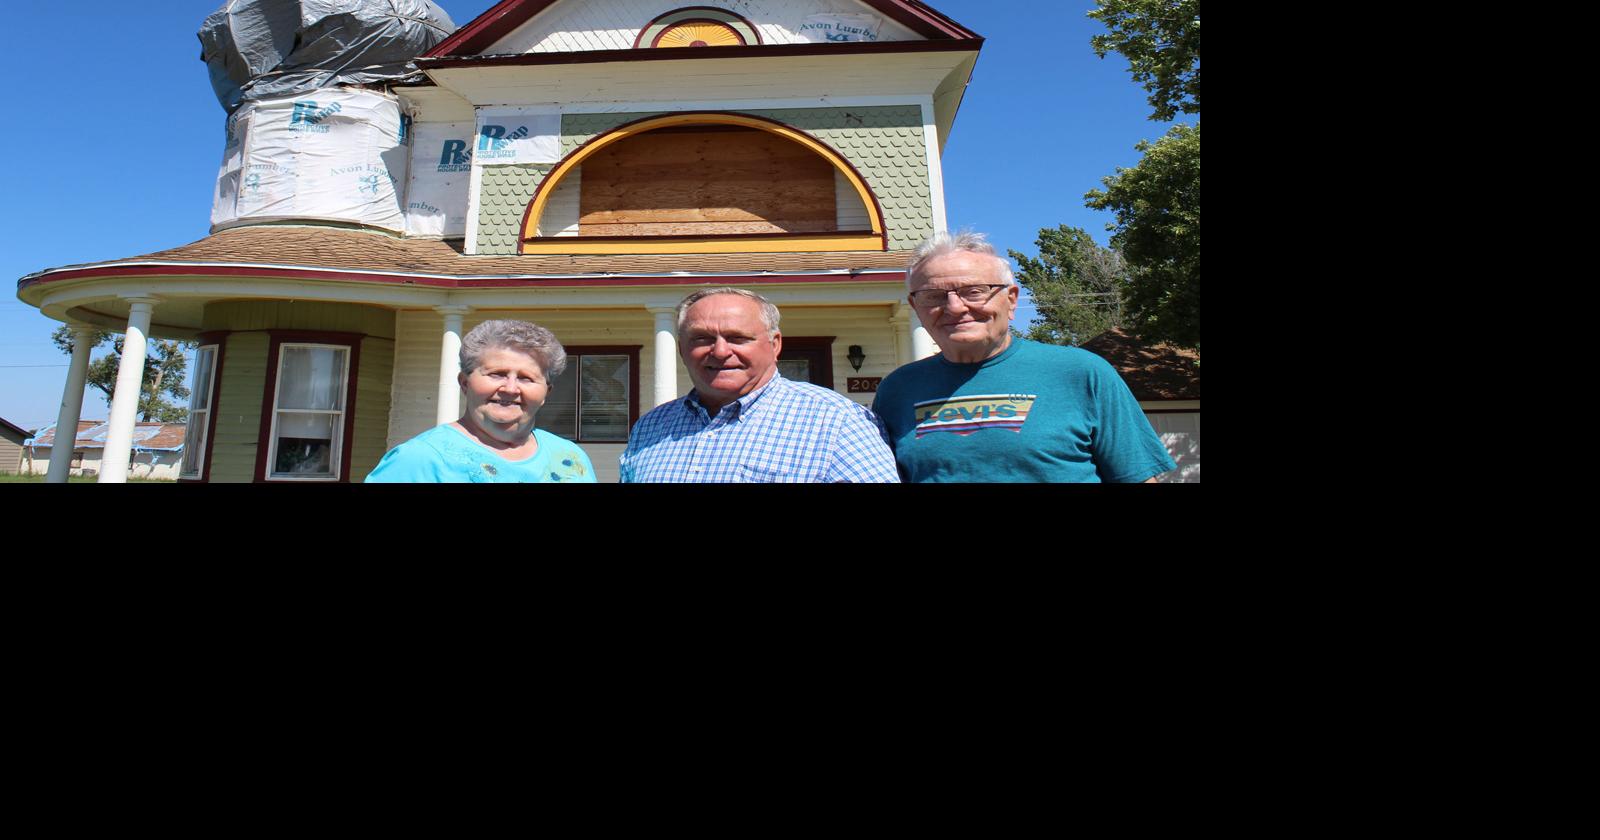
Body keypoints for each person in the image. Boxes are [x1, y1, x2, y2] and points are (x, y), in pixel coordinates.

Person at [871, 231, 1176, 483]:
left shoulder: (1081, 373)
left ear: (1011, 300)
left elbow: (1137, 478)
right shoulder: (897, 390)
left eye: (974, 291)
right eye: (933, 296)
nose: (955, 307)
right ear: (916, 308)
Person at [620, 287, 899, 483]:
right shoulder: (651, 428)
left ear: (775, 344)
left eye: (737, 338)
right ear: (681, 349)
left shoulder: (837, 422)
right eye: (701, 338)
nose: (719, 351)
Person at [366, 319, 596, 483]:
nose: (510, 388)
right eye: (497, 374)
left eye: (526, 378)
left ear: (547, 392)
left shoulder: (570, 456)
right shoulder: (419, 460)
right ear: (464, 382)